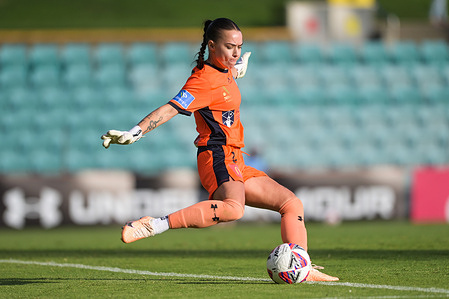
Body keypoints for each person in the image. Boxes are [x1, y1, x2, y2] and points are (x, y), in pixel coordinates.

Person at [101, 17, 338, 282]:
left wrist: (237, 69)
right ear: (212, 46)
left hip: (236, 158)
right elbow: (170, 108)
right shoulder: (202, 80)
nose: (236, 53)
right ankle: (154, 224)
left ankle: (301, 265)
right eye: (230, 47)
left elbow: (227, 77)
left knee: (291, 203)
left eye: (239, 46)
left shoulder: (225, 70)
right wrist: (136, 131)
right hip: (216, 156)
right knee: (234, 209)